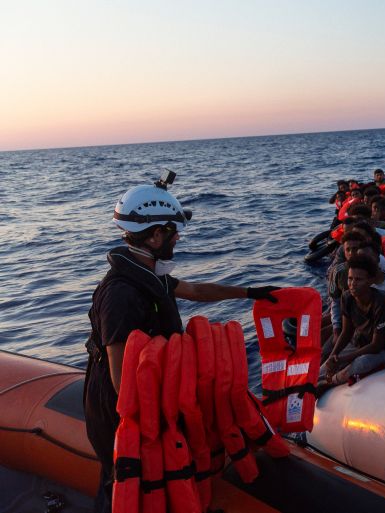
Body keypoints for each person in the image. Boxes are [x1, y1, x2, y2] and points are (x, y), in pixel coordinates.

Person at [85, 173, 279, 513]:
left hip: (157, 400)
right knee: (128, 486)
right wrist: (157, 421)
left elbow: (195, 291)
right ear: (156, 235)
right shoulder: (122, 294)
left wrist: (249, 293)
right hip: (122, 413)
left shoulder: (148, 273)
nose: (178, 238)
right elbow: (120, 382)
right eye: (174, 231)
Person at [319, 255, 385, 388]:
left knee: (361, 363)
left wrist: (343, 359)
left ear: (370, 281)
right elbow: (346, 332)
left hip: (383, 351)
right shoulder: (347, 297)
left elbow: (376, 345)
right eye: (350, 279)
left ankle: (329, 383)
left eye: (358, 279)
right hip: (358, 344)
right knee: (323, 368)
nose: (352, 283)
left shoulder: (381, 302)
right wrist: (333, 356)